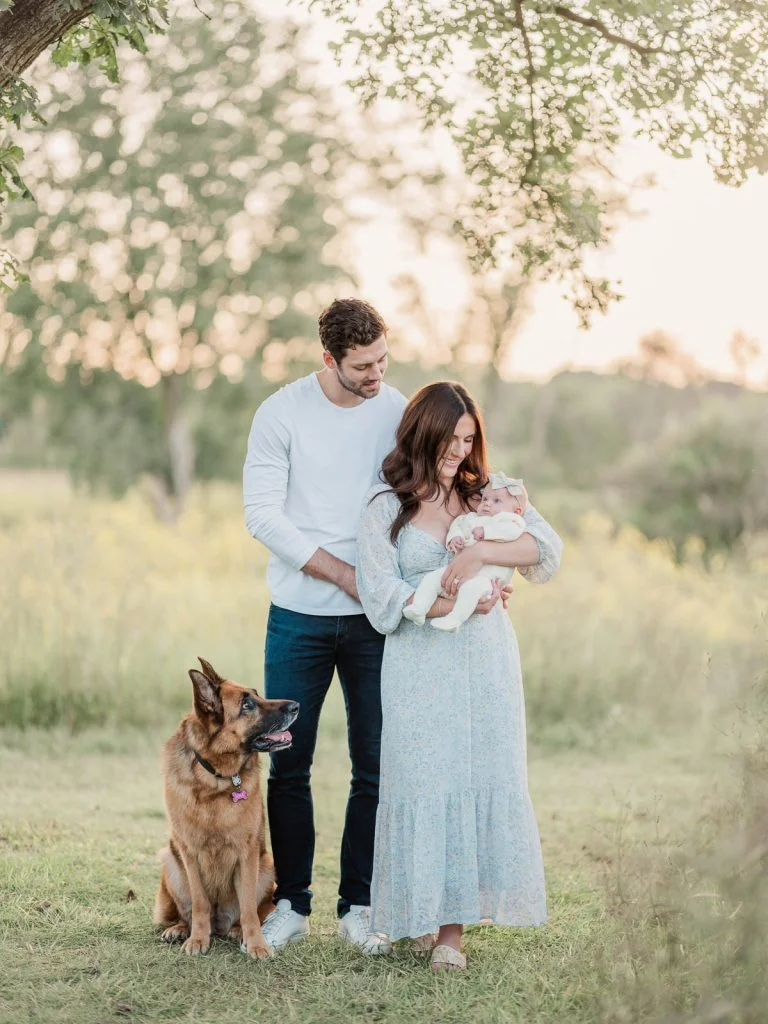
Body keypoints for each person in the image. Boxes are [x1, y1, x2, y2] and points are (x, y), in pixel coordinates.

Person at [355, 381, 563, 971]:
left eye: (469, 440)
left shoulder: (488, 495)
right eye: (451, 439)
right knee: (422, 781)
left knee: (476, 776)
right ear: (422, 433)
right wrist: (454, 603)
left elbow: (545, 550)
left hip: (486, 667)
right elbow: (380, 599)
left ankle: (451, 934)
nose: (460, 451)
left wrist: (477, 557)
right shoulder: (384, 507)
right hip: (420, 670)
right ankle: (408, 917)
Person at [243, 298, 406, 954]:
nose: (376, 374)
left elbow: (435, 492)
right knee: (287, 762)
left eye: (382, 360)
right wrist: (342, 575)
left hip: (376, 624)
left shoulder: (397, 411)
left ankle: (359, 907)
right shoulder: (281, 413)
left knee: (375, 765)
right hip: (297, 620)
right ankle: (292, 904)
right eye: (362, 366)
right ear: (328, 359)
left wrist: (479, 557)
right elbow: (262, 514)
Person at [403, 472, 529, 632]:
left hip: (487, 581)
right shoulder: (471, 518)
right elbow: (458, 525)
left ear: (516, 511)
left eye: (496, 500)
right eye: (485, 499)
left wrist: (486, 532)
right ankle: (419, 608)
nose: (487, 504)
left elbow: (510, 532)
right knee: (433, 579)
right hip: (456, 577)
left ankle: (455, 620)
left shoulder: (511, 521)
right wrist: (455, 538)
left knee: (471, 590)